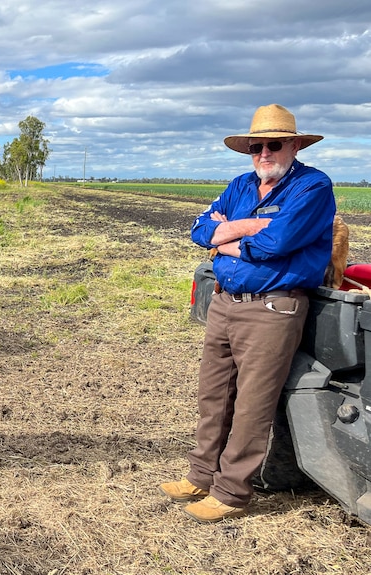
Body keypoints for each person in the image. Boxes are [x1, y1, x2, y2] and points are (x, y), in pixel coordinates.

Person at [159, 104, 335, 522]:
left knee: (253, 403)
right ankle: (201, 474)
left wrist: (229, 236)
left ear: (293, 144)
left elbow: (279, 243)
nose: (264, 154)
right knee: (213, 396)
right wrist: (248, 228)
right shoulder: (240, 185)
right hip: (224, 303)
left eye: (274, 145)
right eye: (256, 146)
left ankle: (232, 491)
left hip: (273, 308)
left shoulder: (312, 187)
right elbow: (200, 229)